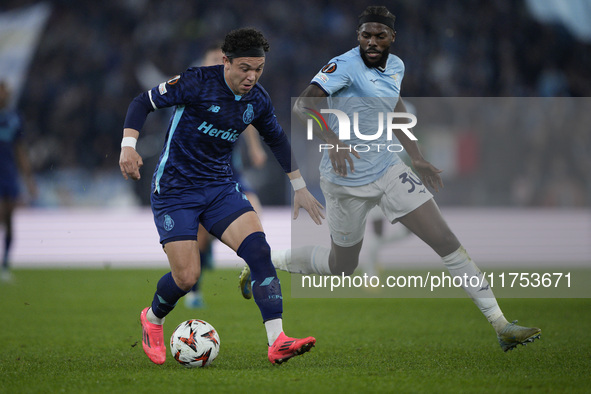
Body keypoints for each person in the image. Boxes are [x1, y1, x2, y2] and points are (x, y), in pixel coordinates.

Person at [240, 6, 541, 352]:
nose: (371, 41)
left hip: (387, 168)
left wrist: (416, 157)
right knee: (343, 266)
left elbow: (395, 107)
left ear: (392, 38)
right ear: (358, 36)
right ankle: (268, 262)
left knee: (445, 239)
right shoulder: (343, 65)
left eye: (379, 35)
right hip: (344, 177)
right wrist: (333, 141)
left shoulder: (396, 67)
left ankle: (501, 325)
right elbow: (304, 106)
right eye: (365, 34)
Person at [119, 28, 324, 365]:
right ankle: (153, 319)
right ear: (226, 62)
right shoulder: (196, 81)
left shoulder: (257, 98)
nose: (252, 76)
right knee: (186, 277)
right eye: (244, 68)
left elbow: (277, 139)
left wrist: (299, 187)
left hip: (219, 187)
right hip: (175, 190)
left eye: (258, 69)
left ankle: (278, 341)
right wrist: (129, 146)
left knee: (259, 250)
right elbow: (142, 102)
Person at [183, 44, 268, 308]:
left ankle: (252, 265)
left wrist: (254, 147)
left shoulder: (235, 92)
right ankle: (194, 292)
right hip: (196, 175)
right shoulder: (194, 88)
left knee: (254, 209)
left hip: (230, 171)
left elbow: (248, 118)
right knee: (200, 236)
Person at [0, 81, 37, 282]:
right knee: (2, 214)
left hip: (9, 176)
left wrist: (29, 180)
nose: (5, 94)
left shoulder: (14, 118)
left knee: (9, 221)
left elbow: (19, 150)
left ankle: (5, 265)